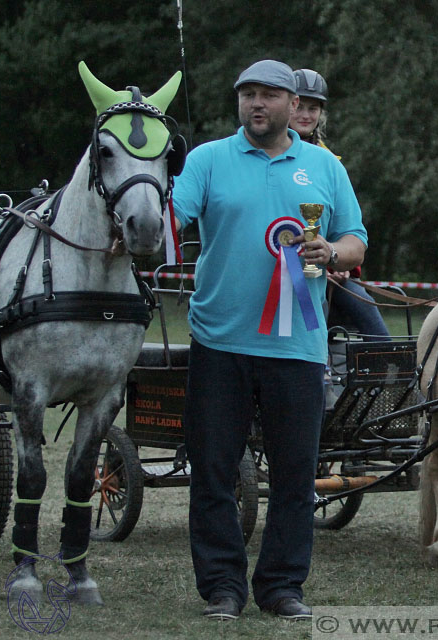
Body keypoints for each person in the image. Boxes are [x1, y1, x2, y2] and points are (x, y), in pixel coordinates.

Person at [171, 59, 368, 620]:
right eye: (248, 95)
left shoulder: (325, 166)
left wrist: (331, 253)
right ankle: (222, 589)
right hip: (219, 343)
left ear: (291, 104)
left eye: (269, 95)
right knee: (212, 471)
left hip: (298, 347)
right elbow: (169, 219)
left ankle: (282, 587)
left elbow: (355, 239)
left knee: (294, 476)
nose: (257, 104)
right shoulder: (207, 160)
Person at [290, 68, 390, 340]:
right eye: (300, 107)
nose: (306, 115)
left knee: (370, 315)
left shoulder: (330, 162)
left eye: (314, 108)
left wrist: (340, 264)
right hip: (281, 271)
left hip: (329, 270)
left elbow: (346, 226)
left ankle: (391, 373)